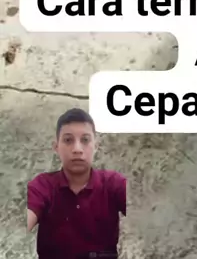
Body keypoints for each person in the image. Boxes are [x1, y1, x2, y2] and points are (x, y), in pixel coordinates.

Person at [27, 107, 127, 259]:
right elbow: (27, 217)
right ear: (56, 147)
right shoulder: (43, 186)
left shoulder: (113, 183)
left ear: (96, 146)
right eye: (68, 140)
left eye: (85, 140)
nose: (77, 149)